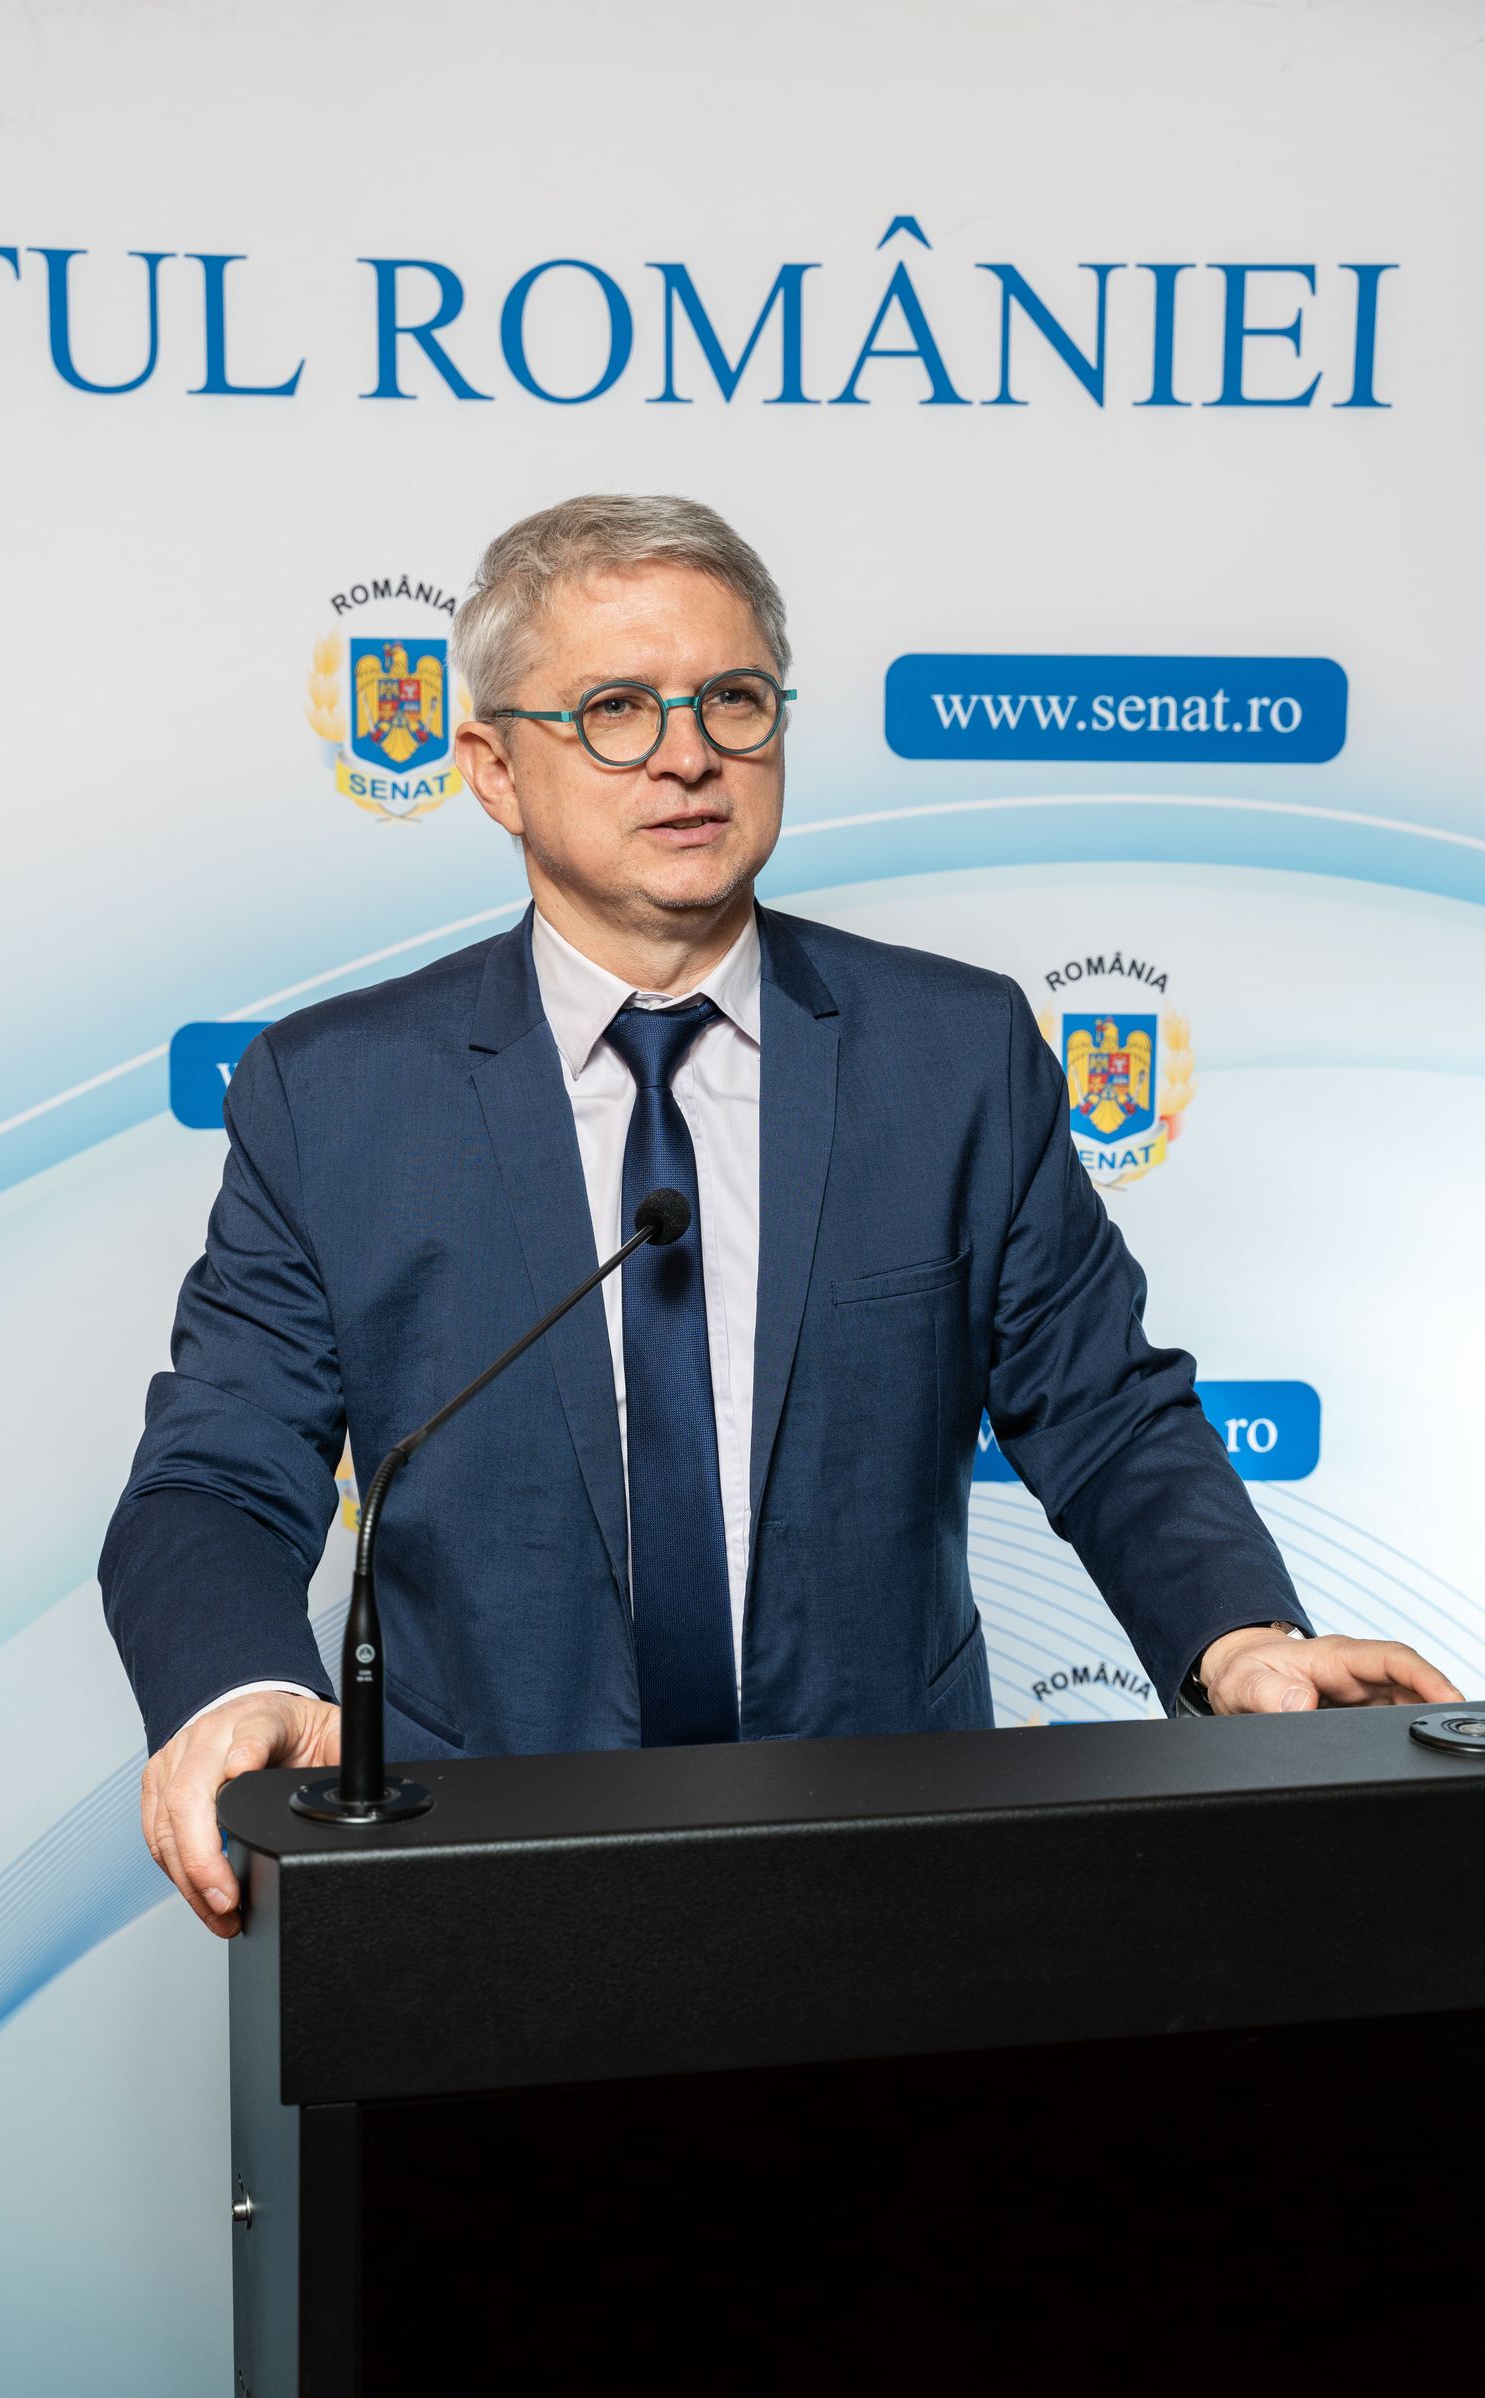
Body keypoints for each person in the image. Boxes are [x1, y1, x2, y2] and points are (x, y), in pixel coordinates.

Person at [101, 493, 1461, 1937]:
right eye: (616, 709)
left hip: (894, 1870)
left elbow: (1105, 1412)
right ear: (494, 770)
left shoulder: (954, 1056)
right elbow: (215, 1475)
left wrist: (1237, 1635)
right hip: (482, 1887)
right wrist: (240, 1686)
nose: (687, 753)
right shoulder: (336, 1095)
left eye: (733, 700)